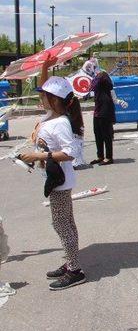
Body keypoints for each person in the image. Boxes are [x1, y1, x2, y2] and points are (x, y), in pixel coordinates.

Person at [18, 56, 87, 290]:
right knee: (67, 223)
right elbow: (49, 87)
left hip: (60, 181)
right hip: (59, 179)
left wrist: (37, 156)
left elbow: (70, 153)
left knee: (61, 225)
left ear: (53, 100)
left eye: (43, 95)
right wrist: (45, 67)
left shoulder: (61, 123)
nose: (40, 98)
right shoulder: (52, 116)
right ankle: (71, 263)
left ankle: (75, 270)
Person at [88, 71, 119, 165]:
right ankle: (100, 156)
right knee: (98, 135)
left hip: (104, 113)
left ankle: (109, 157)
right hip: (97, 113)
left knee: (107, 136)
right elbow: (92, 86)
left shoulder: (105, 90)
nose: (96, 77)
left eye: (98, 76)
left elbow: (95, 83)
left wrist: (99, 76)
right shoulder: (98, 91)